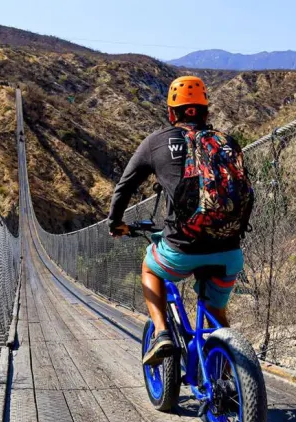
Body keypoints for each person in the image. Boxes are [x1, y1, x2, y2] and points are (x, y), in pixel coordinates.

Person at [108, 76, 252, 366]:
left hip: (181, 250)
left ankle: (162, 333)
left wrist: (115, 222)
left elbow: (124, 187)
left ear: (172, 113)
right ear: (205, 111)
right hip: (229, 251)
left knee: (150, 266)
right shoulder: (228, 143)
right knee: (216, 314)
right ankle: (228, 369)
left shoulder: (156, 142)